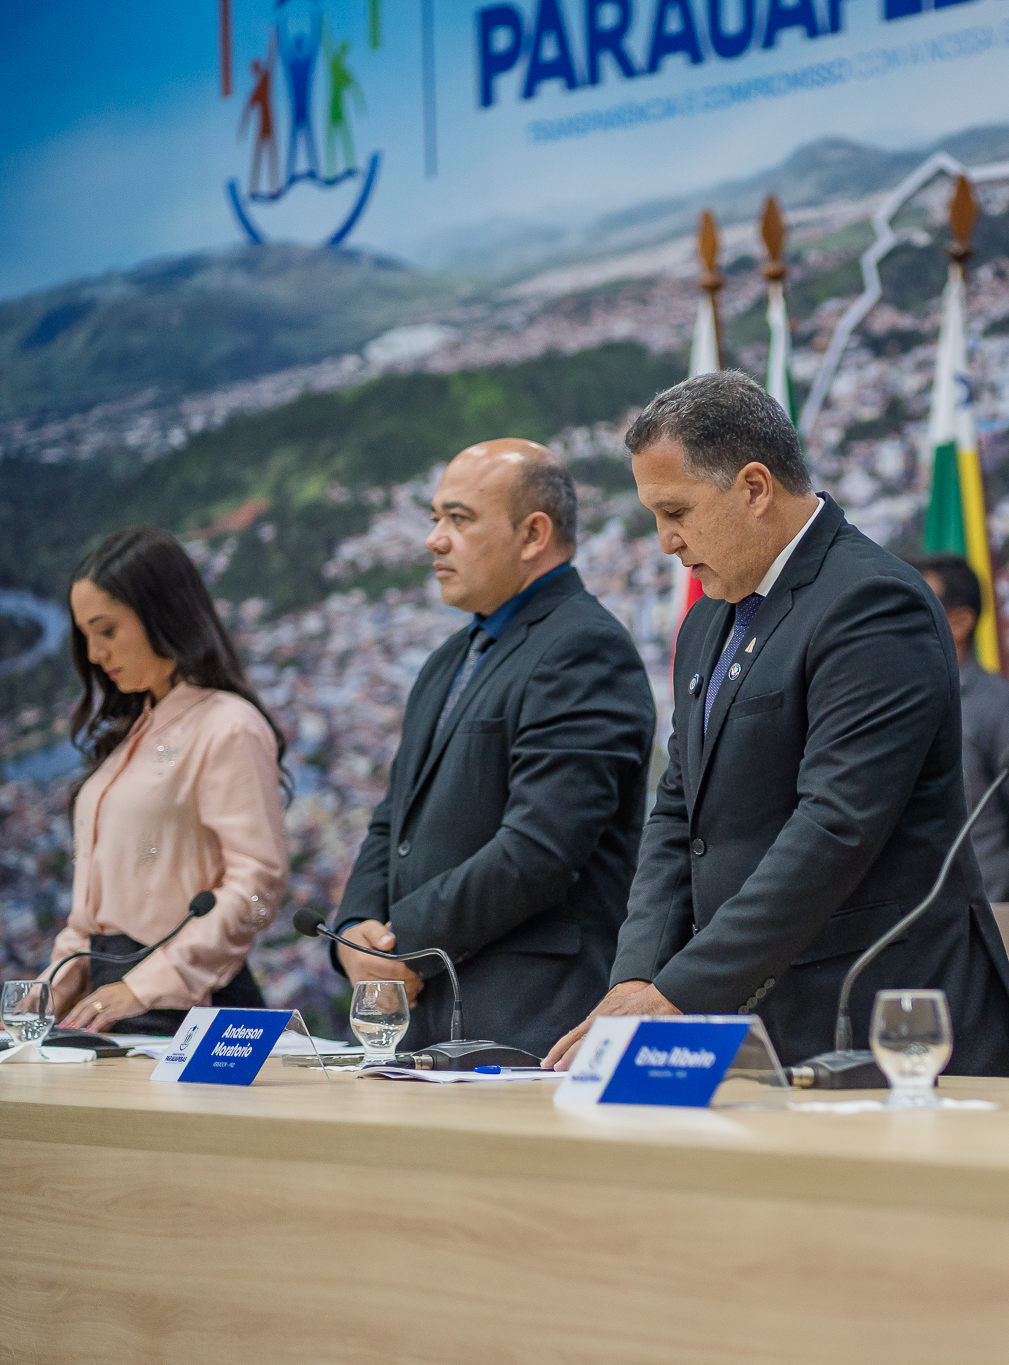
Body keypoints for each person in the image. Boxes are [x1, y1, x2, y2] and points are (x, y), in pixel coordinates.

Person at [544, 372, 1009, 1074]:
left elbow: (835, 824)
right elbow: (680, 812)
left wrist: (679, 991)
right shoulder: (709, 618)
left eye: (676, 511)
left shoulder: (871, 603)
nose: (664, 541)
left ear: (754, 487)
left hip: (880, 1020)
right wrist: (637, 977)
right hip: (750, 1023)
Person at [330, 440, 655, 1059]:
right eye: (435, 519)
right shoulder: (448, 659)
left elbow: (540, 849)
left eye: (458, 519)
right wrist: (353, 929)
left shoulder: (584, 648)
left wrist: (403, 944)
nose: (434, 540)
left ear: (533, 535)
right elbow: (393, 819)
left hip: (526, 1026)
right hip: (423, 1023)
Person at [46, 527, 289, 1035]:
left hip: (190, 1008)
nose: (94, 654)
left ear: (161, 614)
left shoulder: (228, 726)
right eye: (85, 635)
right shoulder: (133, 732)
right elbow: (93, 913)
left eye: (106, 631)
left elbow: (257, 886)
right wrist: (52, 987)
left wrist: (147, 983)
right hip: (111, 1002)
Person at [910, 553, 1009, 902]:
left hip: (987, 917)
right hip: (911, 919)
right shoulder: (895, 701)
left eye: (910, 608)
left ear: (960, 622)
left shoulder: (1000, 707)